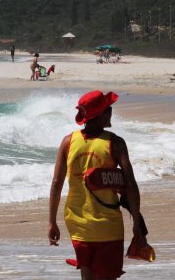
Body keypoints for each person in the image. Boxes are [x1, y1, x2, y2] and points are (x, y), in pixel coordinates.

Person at [48, 90, 146, 280]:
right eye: (108, 110)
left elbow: (56, 183)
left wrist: (52, 221)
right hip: (107, 225)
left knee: (87, 275)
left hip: (77, 223)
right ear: (100, 115)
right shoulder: (115, 143)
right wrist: (136, 223)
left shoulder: (68, 142)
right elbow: (131, 185)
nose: (111, 113)